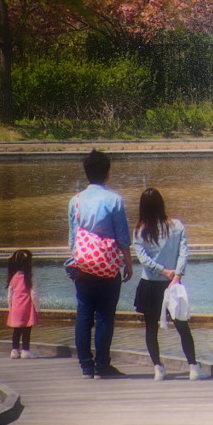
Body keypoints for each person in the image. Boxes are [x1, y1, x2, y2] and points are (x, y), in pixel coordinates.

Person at [66, 149, 133, 379]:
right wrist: (128, 263)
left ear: (86, 173)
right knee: (105, 315)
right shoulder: (114, 200)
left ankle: (86, 366)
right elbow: (122, 237)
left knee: (84, 314)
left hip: (83, 266)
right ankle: (102, 366)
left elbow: (73, 239)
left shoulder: (75, 201)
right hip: (107, 266)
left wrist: (79, 259)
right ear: (107, 173)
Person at [133, 187, 206, 381]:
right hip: (172, 284)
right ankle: (193, 366)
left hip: (149, 284)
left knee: (151, 328)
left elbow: (144, 260)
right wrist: (176, 275)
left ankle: (158, 367)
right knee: (182, 325)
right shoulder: (177, 225)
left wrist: (162, 270)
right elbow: (184, 252)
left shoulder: (140, 231)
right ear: (161, 204)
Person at [6, 249, 39, 359]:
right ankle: (25, 350)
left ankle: (14, 350)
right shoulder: (29, 277)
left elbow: (9, 295)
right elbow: (34, 293)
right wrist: (37, 308)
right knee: (26, 330)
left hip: (16, 307)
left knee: (16, 330)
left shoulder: (13, 278)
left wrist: (10, 307)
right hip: (27, 307)